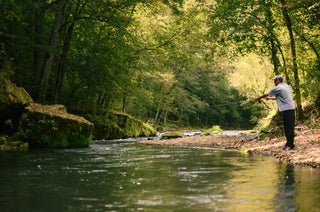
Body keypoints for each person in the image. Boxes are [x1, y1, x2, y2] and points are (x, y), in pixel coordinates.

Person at [255, 75, 296, 150]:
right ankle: (290, 144)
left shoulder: (278, 88)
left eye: (275, 80)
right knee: (290, 127)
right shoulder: (286, 86)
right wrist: (270, 99)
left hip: (286, 109)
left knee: (287, 128)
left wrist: (258, 98)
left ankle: (289, 145)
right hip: (292, 108)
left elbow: (266, 94)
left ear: (278, 80)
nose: (274, 82)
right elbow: (282, 97)